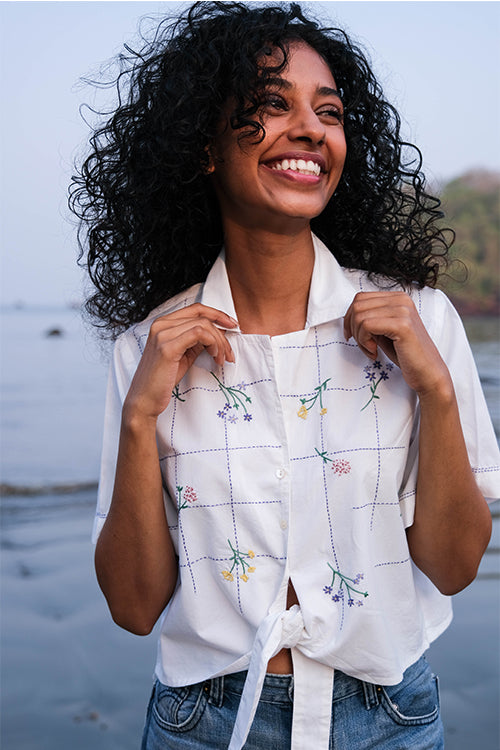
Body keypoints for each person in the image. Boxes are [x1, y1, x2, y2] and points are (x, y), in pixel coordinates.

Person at [69, 3, 500, 748]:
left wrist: (435, 389)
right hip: (202, 723)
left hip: (389, 719)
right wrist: (141, 416)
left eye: (327, 112)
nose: (309, 129)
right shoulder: (148, 347)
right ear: (202, 145)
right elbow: (135, 608)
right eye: (272, 104)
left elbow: (455, 567)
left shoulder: (418, 321)